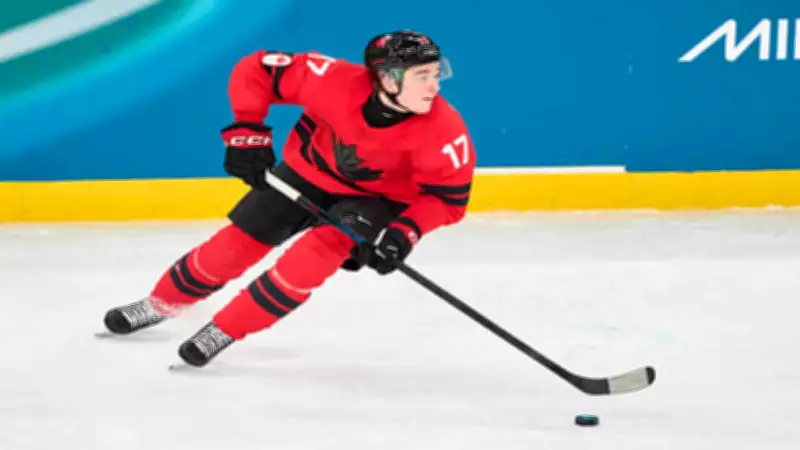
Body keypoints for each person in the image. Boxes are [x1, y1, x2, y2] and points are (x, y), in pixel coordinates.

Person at [101, 30, 476, 368]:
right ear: (388, 78)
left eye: (436, 73)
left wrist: (403, 233)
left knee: (308, 262)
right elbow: (256, 70)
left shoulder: (444, 130)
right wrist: (247, 131)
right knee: (232, 247)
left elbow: (448, 200)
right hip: (306, 174)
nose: (434, 86)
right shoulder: (333, 80)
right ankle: (161, 303)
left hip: (373, 200)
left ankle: (225, 330)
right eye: (422, 76)